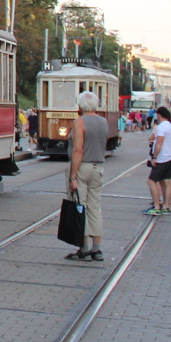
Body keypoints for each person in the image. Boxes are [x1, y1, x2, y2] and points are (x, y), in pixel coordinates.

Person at [65, 91, 108, 262]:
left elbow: (78, 150)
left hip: (83, 167)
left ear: (80, 106)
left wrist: (72, 177)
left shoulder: (79, 122)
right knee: (94, 207)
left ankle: (83, 248)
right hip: (98, 167)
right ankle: (97, 249)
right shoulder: (103, 122)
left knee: (80, 206)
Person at [144, 106, 171, 216]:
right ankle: (166, 206)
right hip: (170, 157)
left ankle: (157, 206)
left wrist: (154, 157)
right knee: (165, 182)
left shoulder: (161, 127)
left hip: (162, 159)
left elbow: (159, 143)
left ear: (159, 115)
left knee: (151, 181)